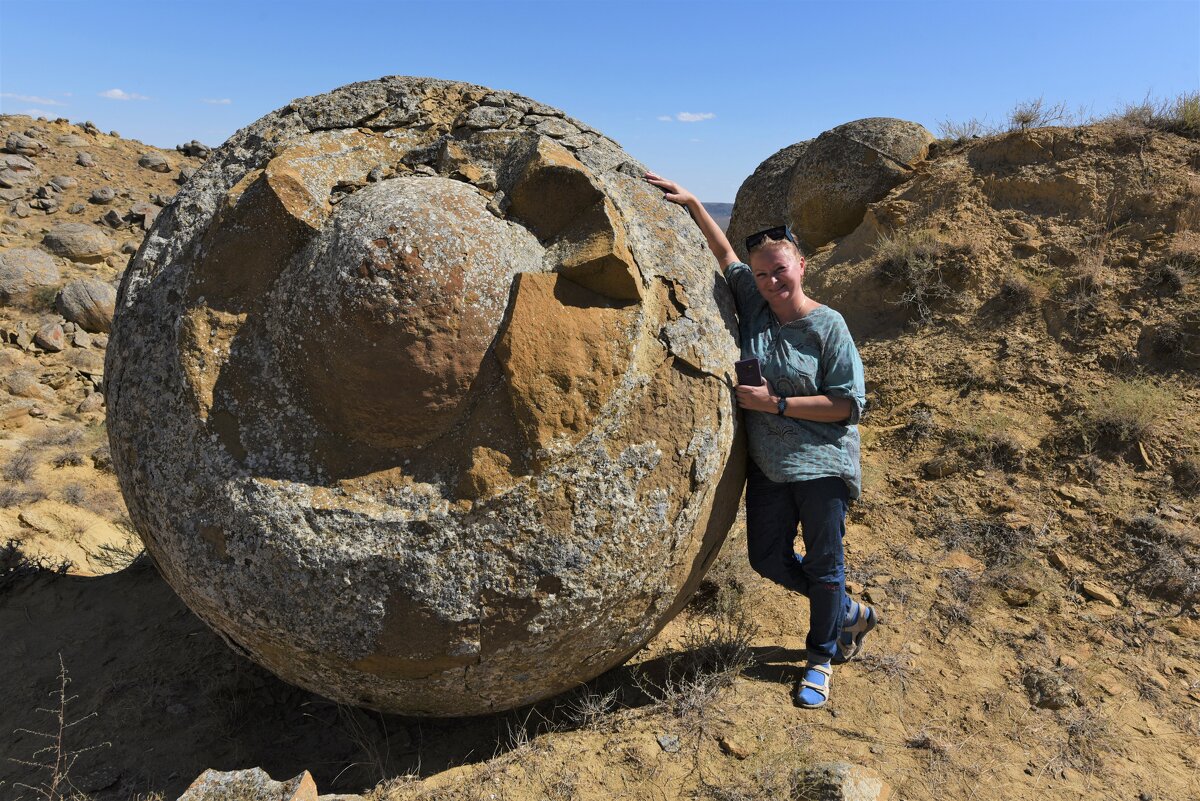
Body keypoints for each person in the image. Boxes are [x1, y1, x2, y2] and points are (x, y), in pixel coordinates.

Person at [644, 171, 875, 709]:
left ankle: (821, 657)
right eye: (764, 273)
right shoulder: (752, 300)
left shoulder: (828, 327)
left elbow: (847, 404)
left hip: (821, 463)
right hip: (770, 467)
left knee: (824, 563)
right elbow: (725, 254)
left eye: (781, 269)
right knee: (767, 558)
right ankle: (846, 612)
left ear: (801, 266)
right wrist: (696, 204)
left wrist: (776, 404)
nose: (772, 280)